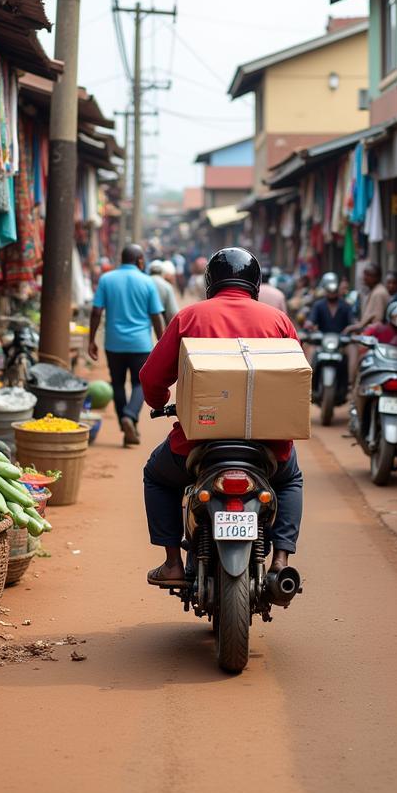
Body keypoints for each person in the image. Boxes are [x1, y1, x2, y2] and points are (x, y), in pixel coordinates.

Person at [139, 247, 305, 586]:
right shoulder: (278, 320)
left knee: (156, 476)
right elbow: (296, 375)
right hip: (268, 446)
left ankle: (172, 563)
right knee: (290, 480)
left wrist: (160, 400)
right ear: (255, 283)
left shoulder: (190, 317)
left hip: (199, 442)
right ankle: (280, 561)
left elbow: (151, 378)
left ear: (210, 281)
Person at [89, 244, 165, 447]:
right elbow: (156, 316)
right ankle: (130, 416)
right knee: (140, 383)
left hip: (114, 343)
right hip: (140, 344)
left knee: (117, 383)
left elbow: (96, 312)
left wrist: (91, 340)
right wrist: (163, 344)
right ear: (140, 260)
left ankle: (126, 423)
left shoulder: (107, 279)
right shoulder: (147, 282)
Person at [343, 262, 390, 335]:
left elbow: (377, 321)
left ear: (376, 277)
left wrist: (355, 328)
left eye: (368, 275)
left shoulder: (378, 293)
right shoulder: (375, 290)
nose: (364, 278)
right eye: (364, 274)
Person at [147, 260, 179, 324]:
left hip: (145, 327)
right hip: (161, 326)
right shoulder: (166, 286)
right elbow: (173, 312)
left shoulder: (144, 283)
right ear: (162, 272)